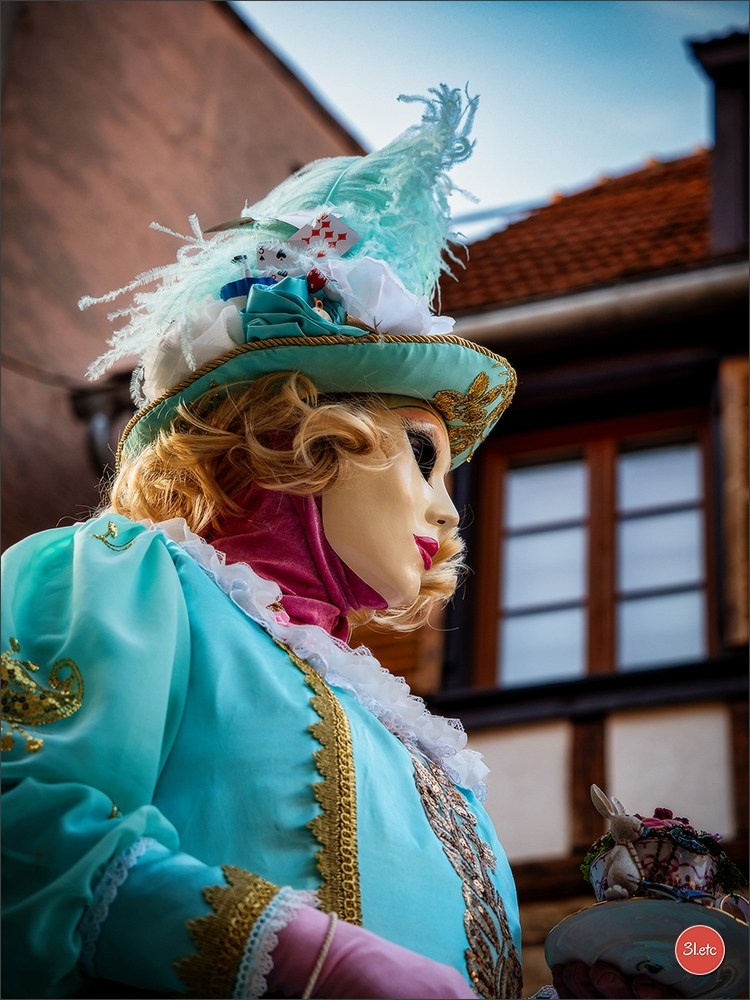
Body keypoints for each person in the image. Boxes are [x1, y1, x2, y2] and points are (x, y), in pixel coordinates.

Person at [2, 85, 524, 1000]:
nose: (448, 515)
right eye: (421, 457)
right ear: (299, 431)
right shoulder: (125, 582)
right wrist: (306, 959)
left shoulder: (430, 752)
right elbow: (24, 825)